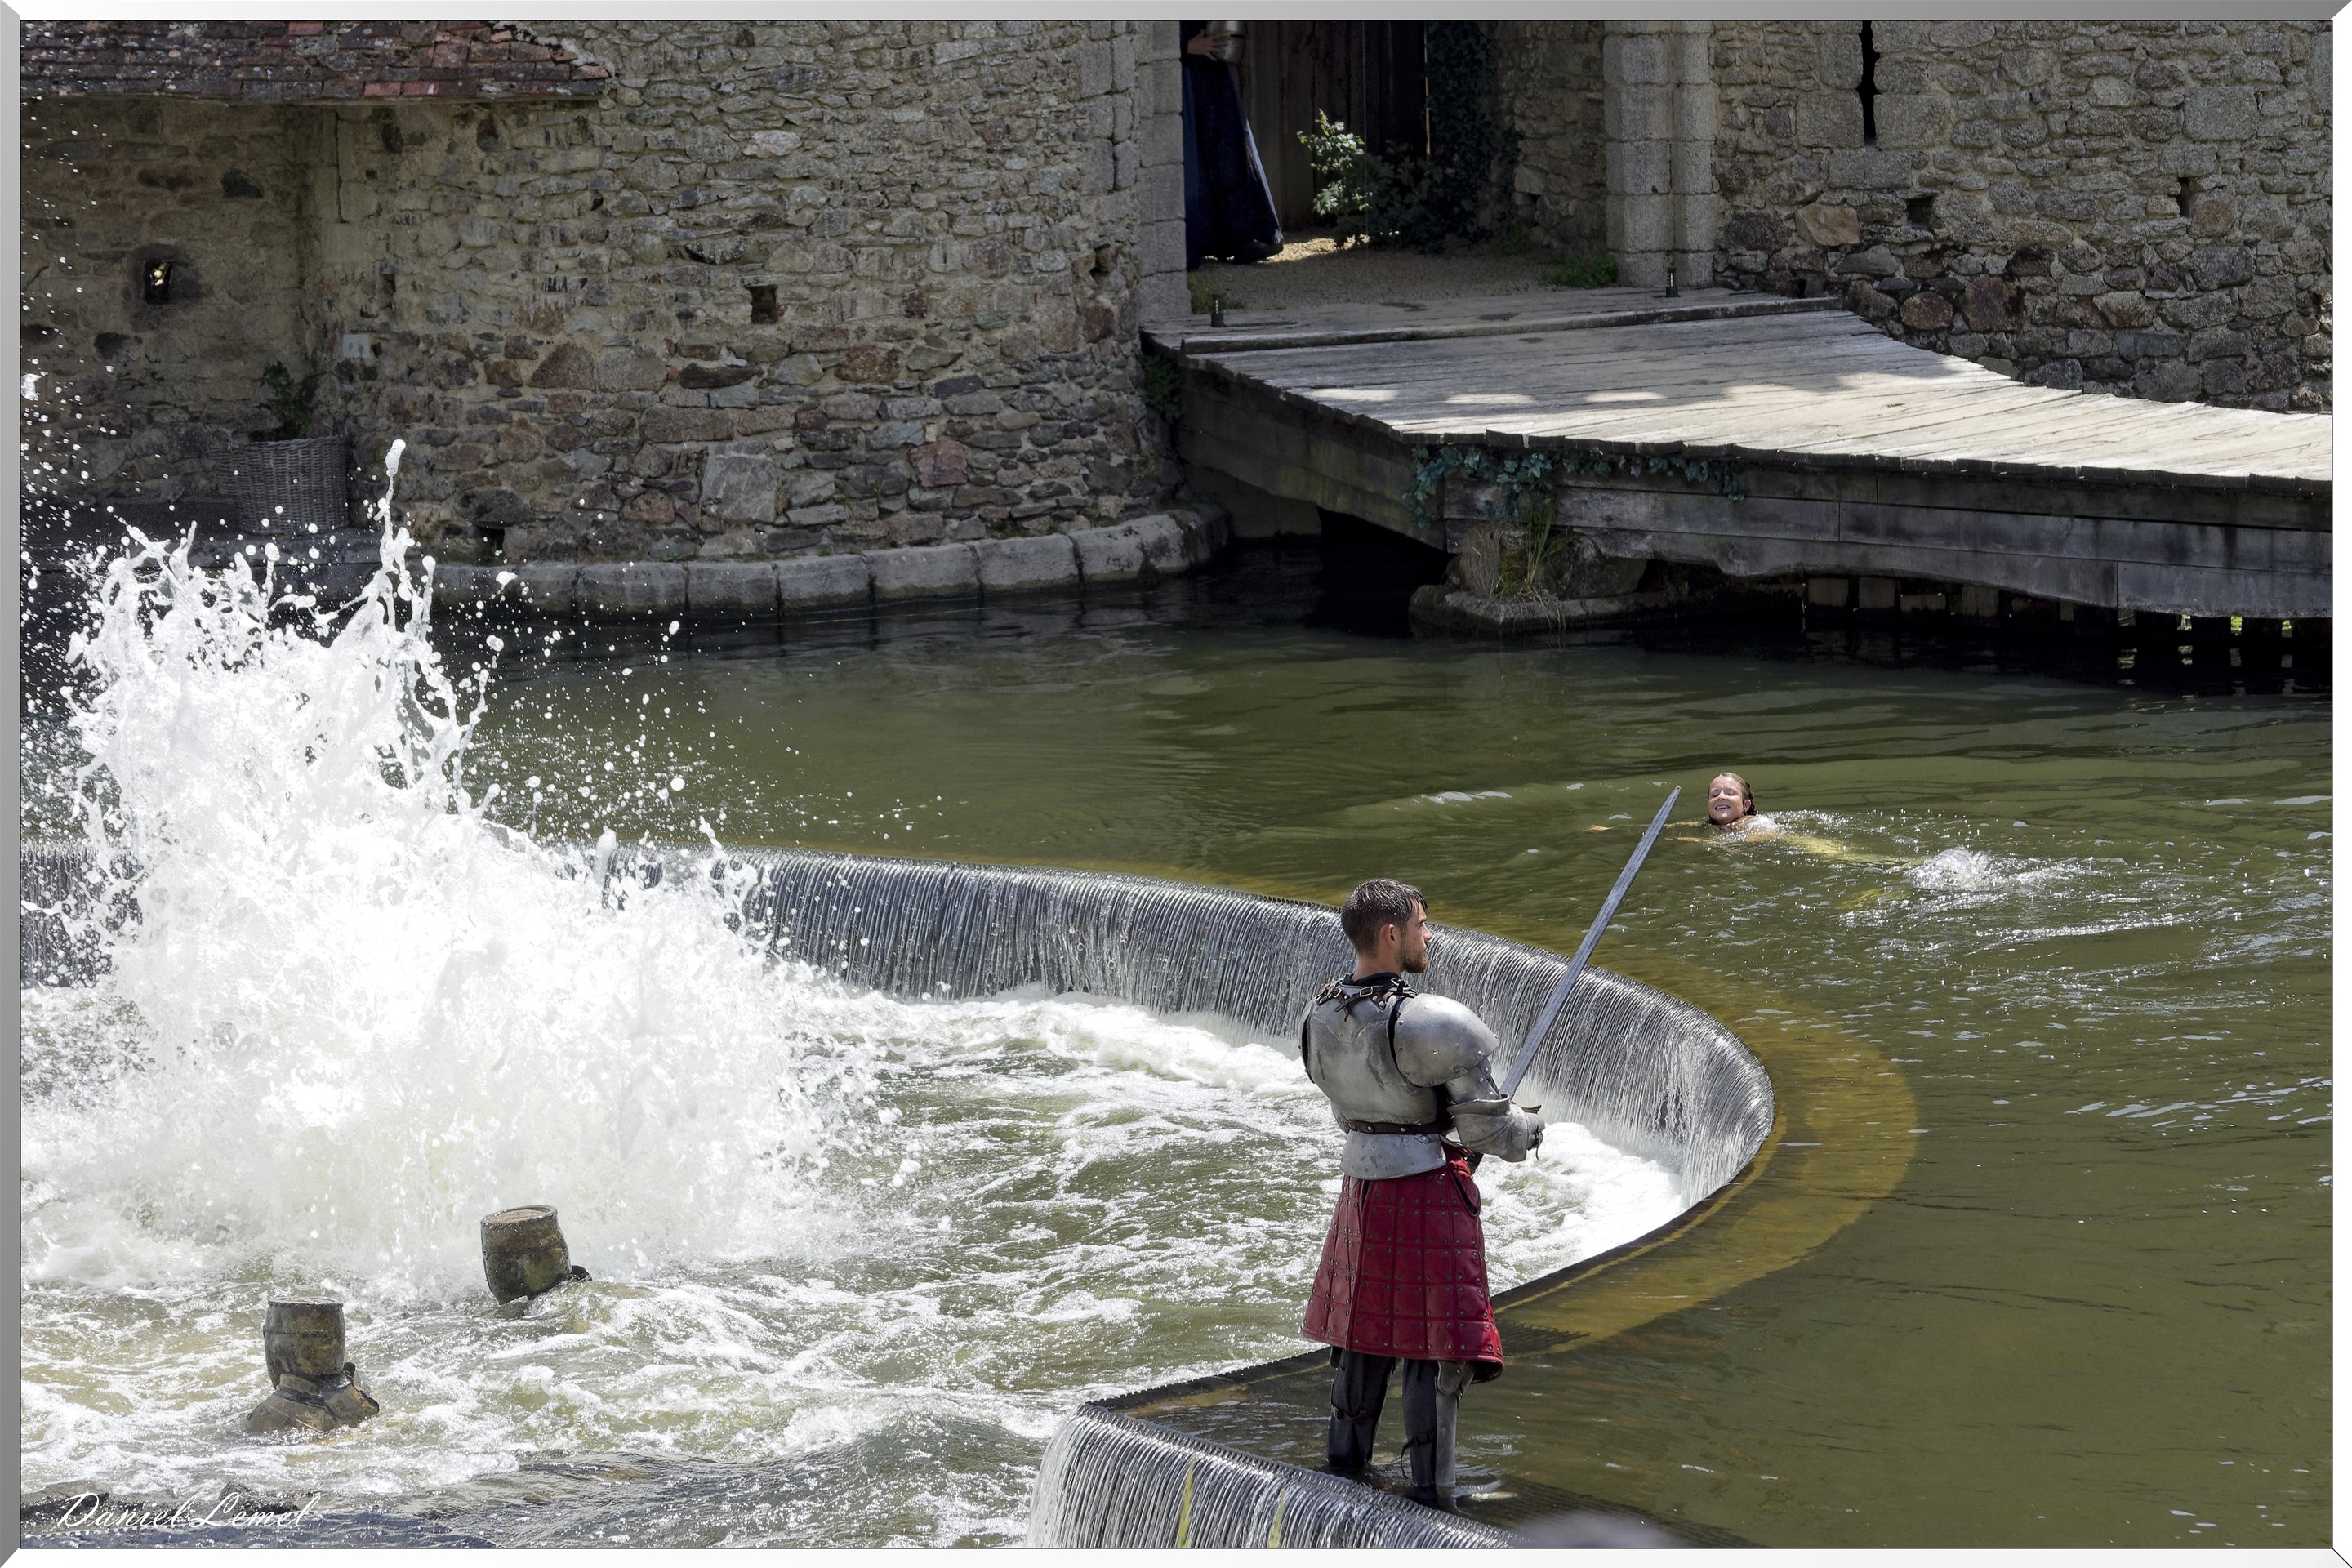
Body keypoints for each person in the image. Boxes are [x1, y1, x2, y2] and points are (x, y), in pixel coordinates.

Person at [1298, 878, 1545, 1507]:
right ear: (1391, 935)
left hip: (1362, 1188)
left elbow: (1346, 1113)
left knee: (1361, 1337)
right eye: (1421, 924)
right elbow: (1492, 1131)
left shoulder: (1321, 1016)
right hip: (1430, 1189)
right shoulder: (1433, 1020)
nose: (1429, 934)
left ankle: (1343, 1478)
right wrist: (1533, 1128)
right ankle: (1434, 1501)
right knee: (1434, 1349)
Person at [1179, 21, 1283, 267]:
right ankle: (1197, 243)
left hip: (1211, 75)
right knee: (1194, 162)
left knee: (1228, 156)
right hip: (1183, 79)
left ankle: (1240, 239)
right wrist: (1184, 47)